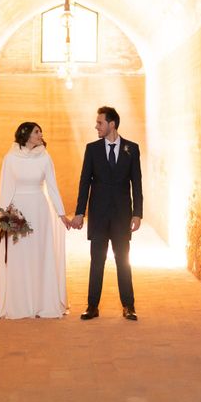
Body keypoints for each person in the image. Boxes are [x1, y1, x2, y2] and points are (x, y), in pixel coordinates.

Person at [0, 122, 71, 319]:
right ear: (25, 134)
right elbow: (5, 189)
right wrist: (4, 219)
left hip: (39, 210)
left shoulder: (45, 157)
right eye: (36, 131)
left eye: (40, 131)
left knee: (39, 254)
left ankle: (41, 303)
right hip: (18, 212)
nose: (40, 134)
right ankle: (20, 304)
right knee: (20, 255)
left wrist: (61, 214)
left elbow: (52, 187)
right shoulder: (10, 158)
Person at [71, 106, 143, 321]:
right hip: (99, 215)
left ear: (112, 124)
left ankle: (128, 306)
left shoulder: (132, 149)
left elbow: (136, 183)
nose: (96, 126)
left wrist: (137, 213)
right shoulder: (92, 149)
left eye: (100, 123)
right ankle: (92, 306)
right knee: (97, 261)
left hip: (122, 215)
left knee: (123, 260)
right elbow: (84, 182)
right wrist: (79, 213)